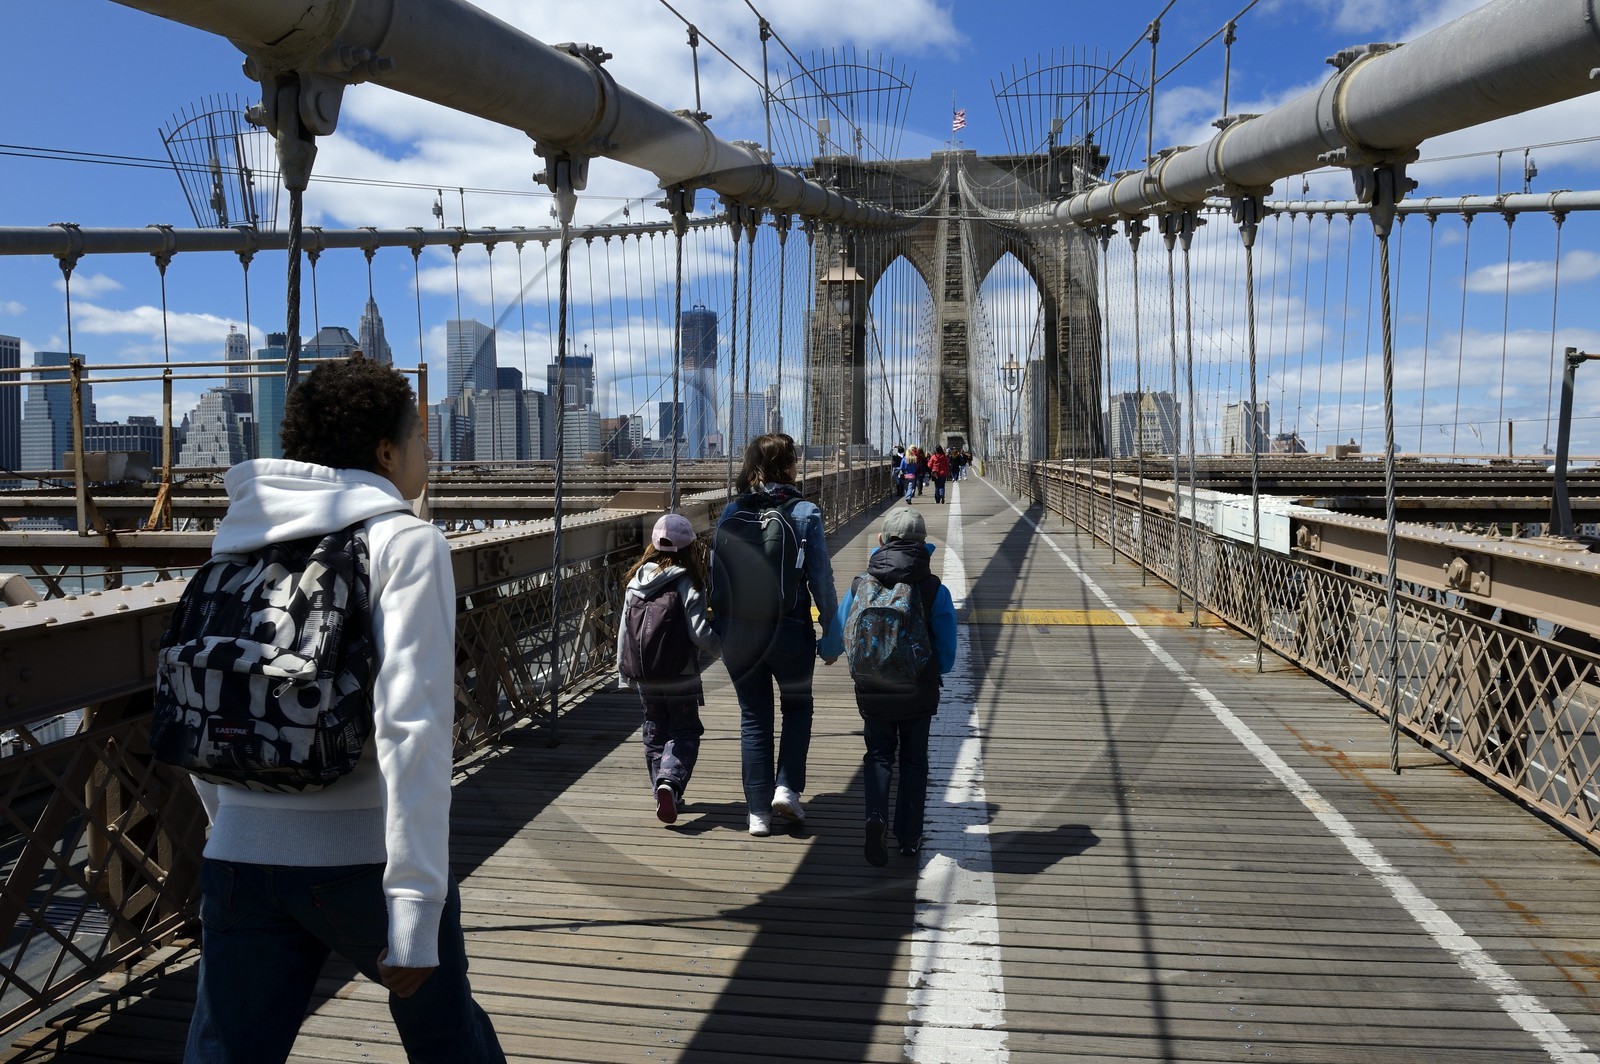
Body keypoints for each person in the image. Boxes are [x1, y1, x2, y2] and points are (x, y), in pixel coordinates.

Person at [181, 356, 506, 1064]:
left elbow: (208, 699)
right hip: (366, 863)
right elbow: (413, 728)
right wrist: (416, 908)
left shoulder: (236, 539)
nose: (429, 451)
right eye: (419, 436)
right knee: (451, 1047)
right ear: (385, 452)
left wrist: (234, 821)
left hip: (237, 859)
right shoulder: (405, 541)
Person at [712, 433, 840, 836]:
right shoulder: (805, 512)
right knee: (798, 709)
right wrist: (831, 634)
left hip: (739, 634)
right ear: (788, 466)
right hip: (789, 630)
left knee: (754, 719)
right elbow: (821, 579)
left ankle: (757, 814)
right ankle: (786, 789)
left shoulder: (732, 510)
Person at [819, 507, 957, 865]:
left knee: (879, 754)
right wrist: (927, 671)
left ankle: (875, 817)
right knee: (914, 761)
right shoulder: (933, 589)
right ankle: (909, 838)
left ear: (881, 541)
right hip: (917, 690)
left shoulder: (860, 583)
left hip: (872, 688)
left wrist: (829, 652)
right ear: (924, 546)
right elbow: (947, 653)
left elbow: (838, 634)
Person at [617, 512, 721, 824]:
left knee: (653, 729)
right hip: (680, 674)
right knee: (685, 730)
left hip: (644, 673)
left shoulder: (635, 581)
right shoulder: (687, 580)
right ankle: (670, 782)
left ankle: (663, 791)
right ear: (689, 547)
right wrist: (726, 650)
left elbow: (624, 628)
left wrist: (624, 673)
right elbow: (699, 633)